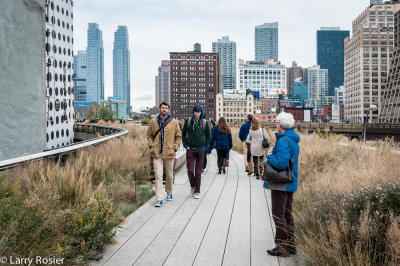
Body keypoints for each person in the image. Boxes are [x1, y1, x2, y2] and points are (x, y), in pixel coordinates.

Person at [265, 112, 300, 257]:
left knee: (278, 214)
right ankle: (290, 245)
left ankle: (282, 247)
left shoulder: (282, 141)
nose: (276, 125)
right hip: (291, 180)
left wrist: (270, 156)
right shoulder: (293, 140)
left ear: (280, 125)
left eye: (277, 123)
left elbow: (281, 163)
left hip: (282, 182)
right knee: (287, 213)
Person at [147, 101, 182, 207]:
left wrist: (175, 147)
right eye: (162, 108)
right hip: (157, 153)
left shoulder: (174, 122)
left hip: (170, 152)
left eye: (166, 108)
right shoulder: (153, 122)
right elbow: (149, 135)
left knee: (170, 176)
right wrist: (151, 145)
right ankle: (159, 199)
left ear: (169, 110)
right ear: (159, 109)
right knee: (158, 176)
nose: (164, 109)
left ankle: (169, 191)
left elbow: (178, 137)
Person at [182, 105, 211, 199]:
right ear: (193, 112)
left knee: (198, 172)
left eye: (198, 111)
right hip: (190, 150)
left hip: (200, 150)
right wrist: (186, 145)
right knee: (190, 170)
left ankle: (197, 191)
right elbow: (183, 134)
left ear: (201, 112)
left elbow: (208, 136)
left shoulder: (204, 123)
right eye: (195, 111)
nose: (196, 113)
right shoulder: (188, 121)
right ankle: (193, 186)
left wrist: (204, 147)